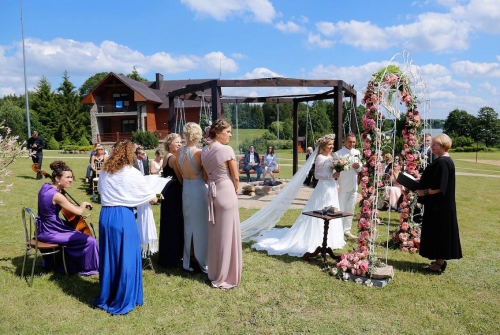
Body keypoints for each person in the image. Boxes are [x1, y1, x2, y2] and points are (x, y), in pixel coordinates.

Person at [252, 134, 345, 256]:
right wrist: (331, 176)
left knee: (333, 209)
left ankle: (332, 238)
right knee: (322, 210)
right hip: (323, 187)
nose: (332, 146)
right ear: (323, 146)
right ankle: (317, 237)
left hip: (331, 187)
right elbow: (317, 176)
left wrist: (336, 182)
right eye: (329, 144)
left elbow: (333, 171)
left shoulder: (332, 156)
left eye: (332, 144)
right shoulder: (320, 158)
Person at [94, 140, 157, 315]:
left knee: (110, 256)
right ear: (130, 154)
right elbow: (151, 198)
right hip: (123, 216)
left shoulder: (105, 170)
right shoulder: (132, 173)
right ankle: (123, 298)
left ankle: (108, 294)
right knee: (127, 257)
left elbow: (100, 191)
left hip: (106, 215)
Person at [36, 161, 98, 275]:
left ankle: (64, 261)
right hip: (51, 231)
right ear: (57, 178)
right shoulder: (57, 196)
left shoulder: (45, 187)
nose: (71, 180)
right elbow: (78, 211)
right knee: (90, 240)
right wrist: (83, 204)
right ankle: (87, 267)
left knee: (75, 232)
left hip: (42, 228)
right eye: (68, 177)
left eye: (71, 177)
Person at [201, 119, 242, 289]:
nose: (230, 135)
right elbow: (236, 176)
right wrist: (236, 190)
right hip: (226, 190)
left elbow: (206, 176)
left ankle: (216, 272)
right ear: (218, 133)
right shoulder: (226, 150)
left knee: (217, 235)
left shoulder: (204, 150)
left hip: (212, 193)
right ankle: (226, 275)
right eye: (228, 132)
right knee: (228, 235)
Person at [415, 134, 462, 273]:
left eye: (434, 144)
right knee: (438, 233)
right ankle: (438, 260)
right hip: (439, 206)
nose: (432, 146)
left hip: (440, 207)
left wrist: (425, 192)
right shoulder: (443, 161)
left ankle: (439, 263)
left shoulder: (443, 162)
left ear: (443, 146)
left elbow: (440, 187)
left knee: (440, 234)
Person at [177, 122, 209, 273]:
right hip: (199, 189)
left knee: (188, 225)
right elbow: (207, 176)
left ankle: (188, 259)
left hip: (187, 189)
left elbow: (179, 175)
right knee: (202, 226)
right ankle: (203, 261)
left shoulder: (179, 152)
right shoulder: (199, 153)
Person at [158, 134, 184, 267]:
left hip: (168, 191)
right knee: (175, 223)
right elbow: (181, 179)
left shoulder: (166, 157)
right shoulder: (172, 158)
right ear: (169, 144)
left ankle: (169, 254)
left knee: (169, 222)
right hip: (175, 192)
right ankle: (173, 255)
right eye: (177, 142)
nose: (179, 144)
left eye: (180, 142)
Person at [333, 133, 362, 239]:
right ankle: (338, 230)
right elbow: (335, 171)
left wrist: (358, 167)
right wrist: (336, 185)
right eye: (350, 141)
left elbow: (360, 169)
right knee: (341, 208)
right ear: (345, 141)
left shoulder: (357, 152)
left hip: (354, 185)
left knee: (351, 209)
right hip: (343, 185)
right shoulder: (338, 154)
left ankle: (347, 230)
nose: (352, 144)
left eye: (354, 142)